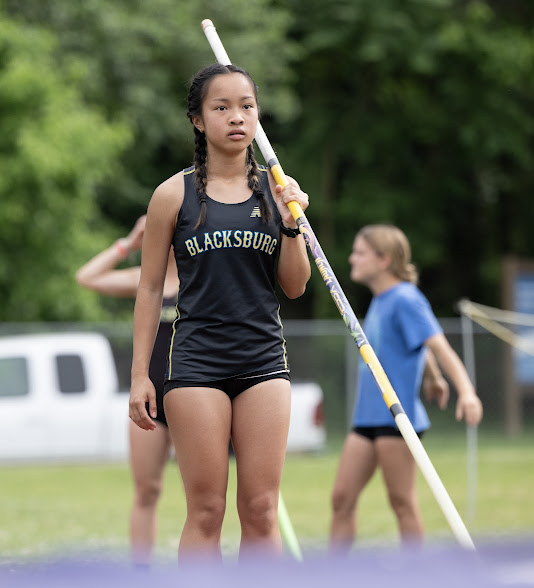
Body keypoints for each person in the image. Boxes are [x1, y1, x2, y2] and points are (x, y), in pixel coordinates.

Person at [128, 63, 311, 561]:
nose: (237, 117)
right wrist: (140, 375)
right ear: (197, 120)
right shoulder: (173, 194)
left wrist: (293, 224)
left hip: (263, 362)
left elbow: (294, 287)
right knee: (207, 511)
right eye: (222, 107)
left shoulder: (277, 194)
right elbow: (148, 289)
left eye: (247, 106)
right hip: (196, 366)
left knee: (261, 509)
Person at [329, 224, 483, 550]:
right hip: (367, 418)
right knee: (341, 498)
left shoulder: (405, 299)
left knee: (401, 502)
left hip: (396, 421)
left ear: (384, 260)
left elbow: (439, 346)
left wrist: (466, 392)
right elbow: (414, 345)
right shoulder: (382, 299)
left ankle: (418, 579)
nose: (351, 258)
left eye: (360, 252)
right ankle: (335, 580)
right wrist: (432, 376)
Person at [76, 215, 179, 565]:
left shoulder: (201, 280)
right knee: (147, 490)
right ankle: (141, 574)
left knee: (206, 495)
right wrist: (128, 243)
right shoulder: (145, 280)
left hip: (194, 396)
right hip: (149, 400)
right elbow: (87, 277)